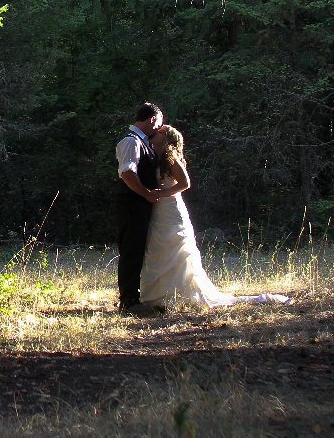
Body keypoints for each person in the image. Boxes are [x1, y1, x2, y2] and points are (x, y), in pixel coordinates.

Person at [140, 125, 290, 309]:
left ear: (166, 138)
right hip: (159, 210)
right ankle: (161, 296)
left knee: (176, 251)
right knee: (160, 249)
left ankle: (180, 294)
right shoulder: (155, 156)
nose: (155, 134)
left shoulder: (170, 157)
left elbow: (185, 183)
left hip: (170, 209)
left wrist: (162, 193)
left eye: (160, 132)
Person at [115, 102, 163, 313]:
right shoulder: (130, 142)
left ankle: (135, 297)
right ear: (152, 119)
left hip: (139, 204)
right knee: (131, 251)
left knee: (137, 249)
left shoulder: (141, 141)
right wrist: (146, 193)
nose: (159, 129)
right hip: (132, 204)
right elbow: (127, 173)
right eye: (159, 123)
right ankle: (129, 301)